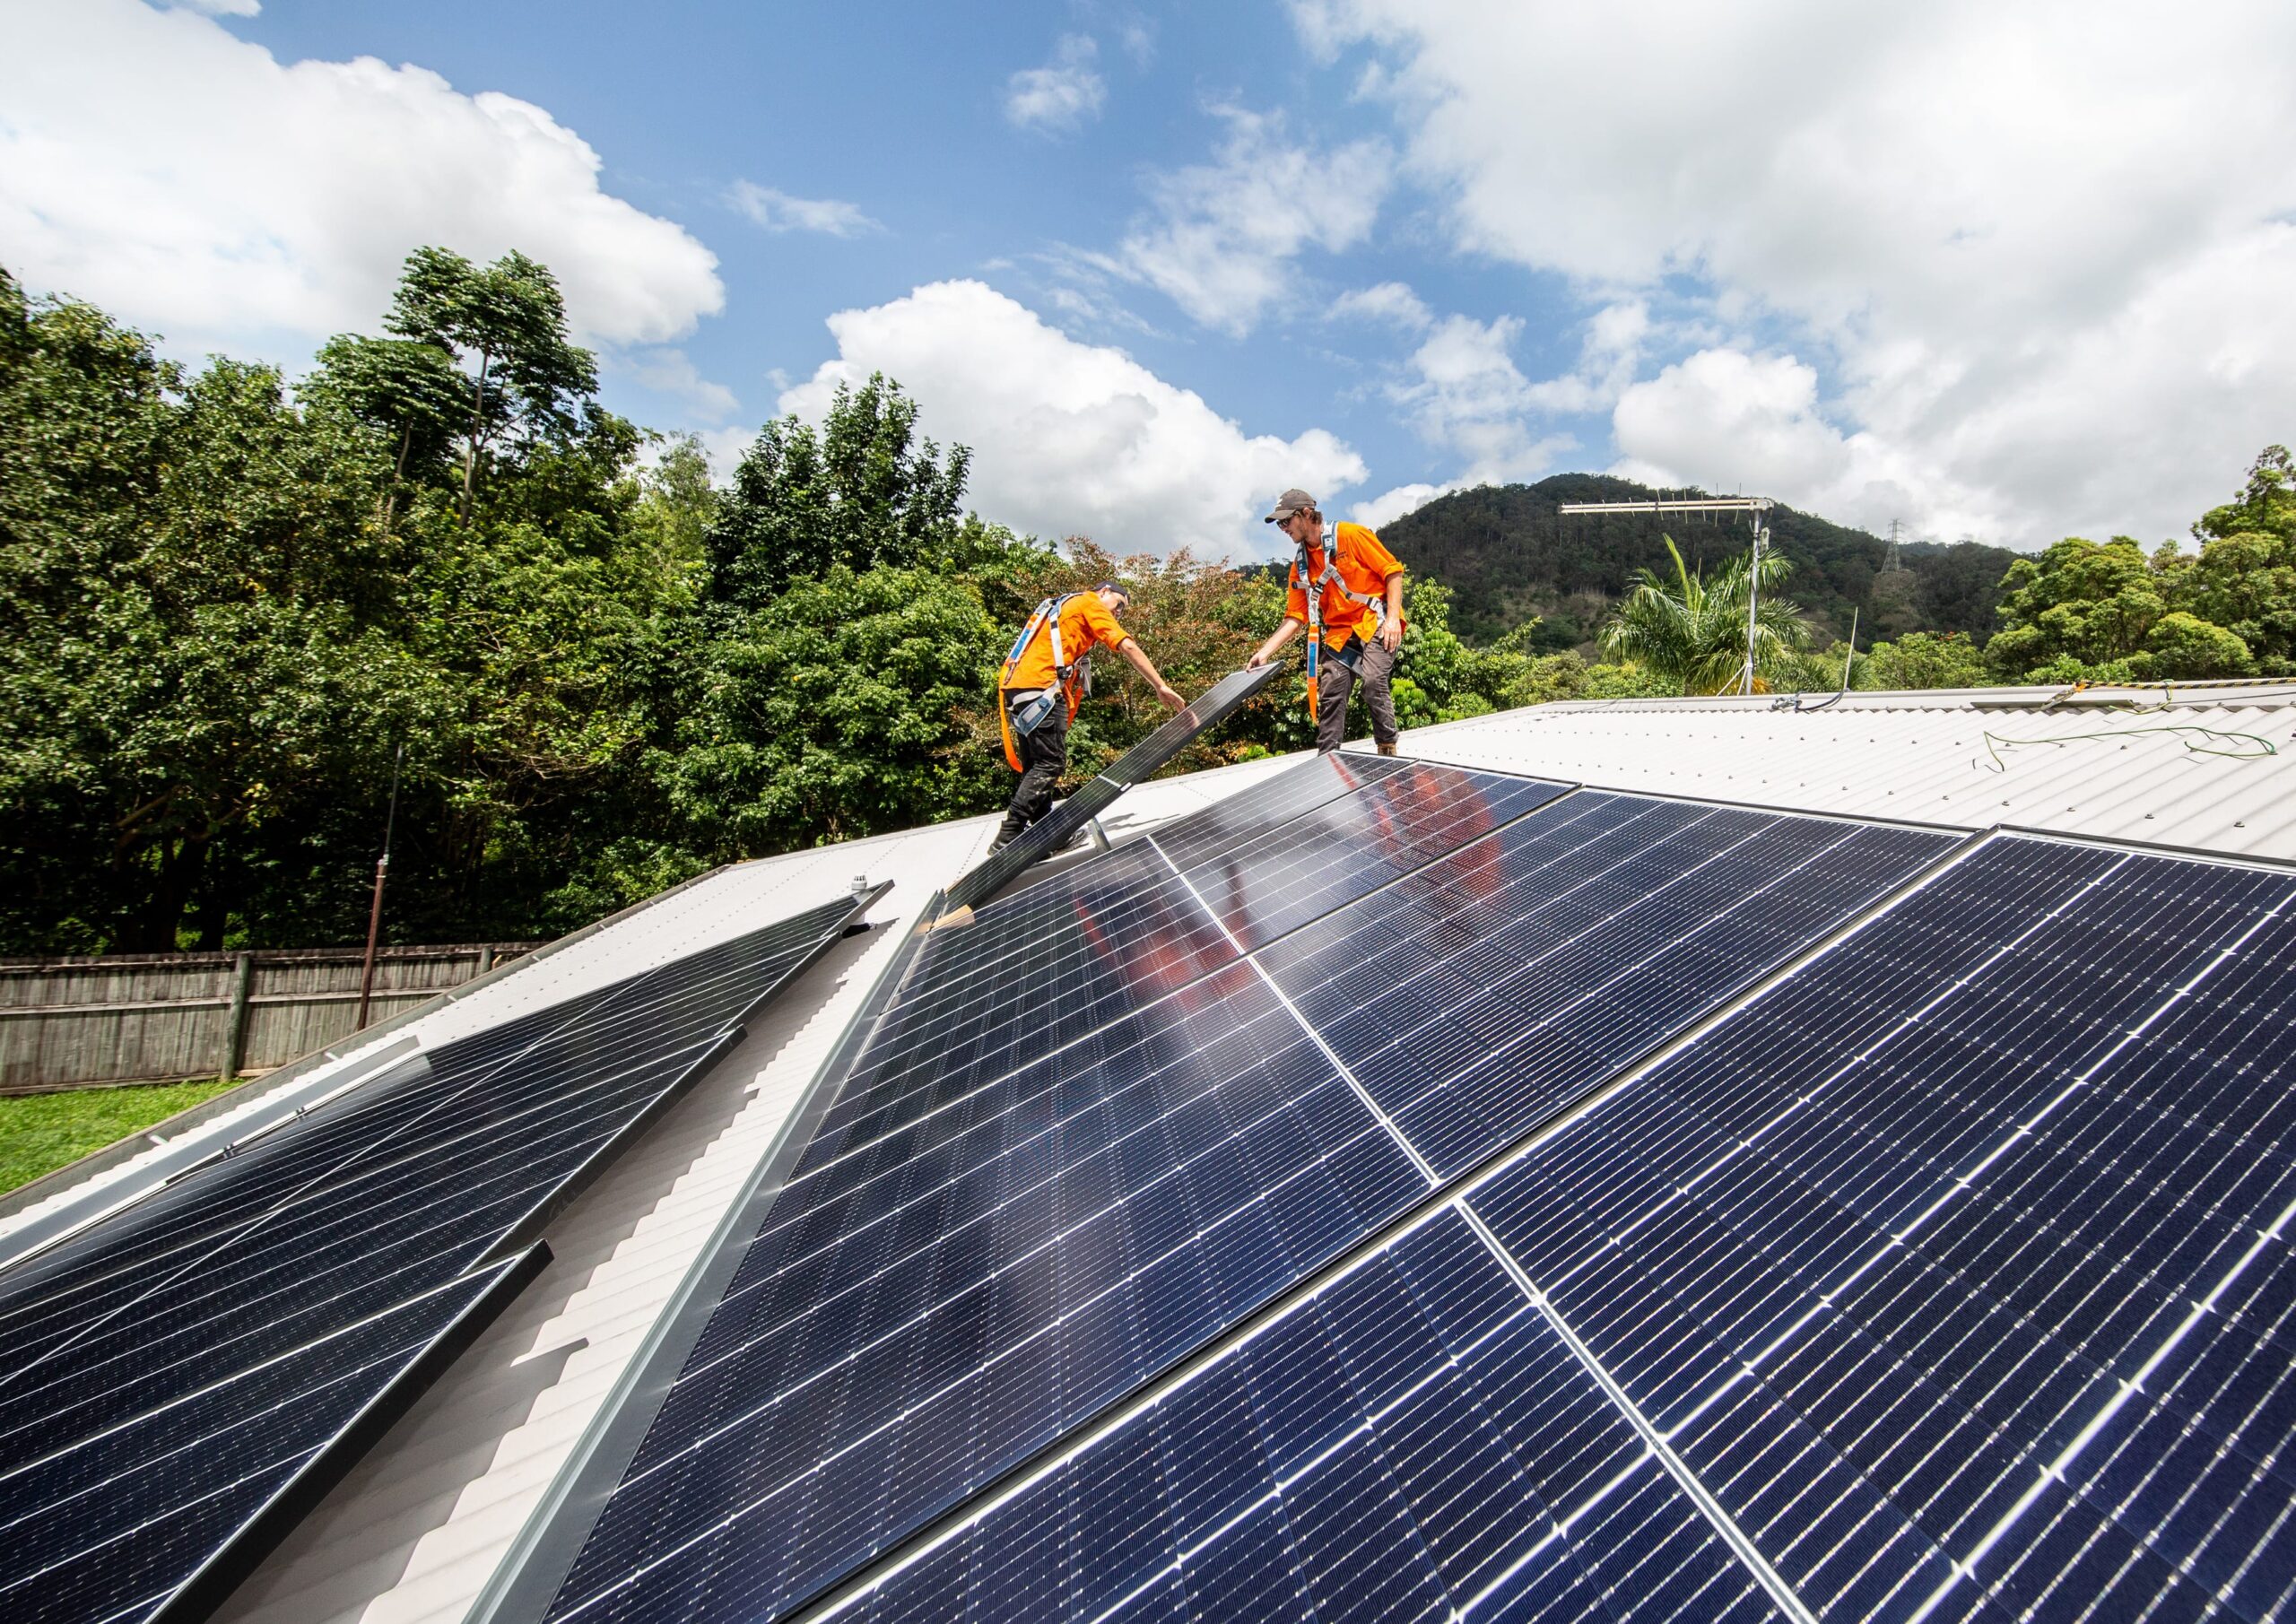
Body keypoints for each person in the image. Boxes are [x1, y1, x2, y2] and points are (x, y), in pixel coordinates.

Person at [992, 581, 1185, 852]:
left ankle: (1048, 835)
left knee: (1036, 763)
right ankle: (1008, 836)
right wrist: (1160, 685)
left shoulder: (1065, 604)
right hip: (1041, 687)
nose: (1118, 613)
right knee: (1050, 763)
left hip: (1018, 687)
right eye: (1119, 605)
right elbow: (1126, 645)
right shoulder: (1089, 603)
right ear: (1104, 592)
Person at [1246, 489, 1407, 755]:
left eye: (1286, 521)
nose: (1282, 528)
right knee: (1331, 691)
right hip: (1340, 633)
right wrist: (1264, 652)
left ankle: (1387, 746)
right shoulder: (1300, 564)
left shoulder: (1350, 535)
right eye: (1279, 524)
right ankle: (1327, 757)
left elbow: (1393, 572)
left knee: (1373, 681)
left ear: (1306, 514)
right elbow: (1295, 616)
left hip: (1374, 620)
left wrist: (1392, 620)